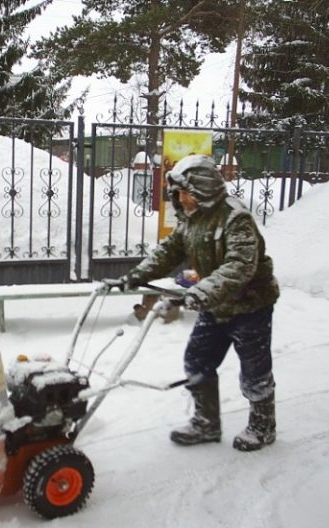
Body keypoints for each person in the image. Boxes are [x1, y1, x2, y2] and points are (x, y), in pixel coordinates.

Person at [105, 154, 280, 451]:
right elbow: (169, 252)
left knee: (255, 369)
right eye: (178, 192)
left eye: (185, 192)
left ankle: (263, 426)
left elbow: (240, 266)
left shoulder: (236, 218)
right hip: (215, 304)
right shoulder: (191, 219)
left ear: (203, 188)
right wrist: (134, 277)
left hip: (250, 306)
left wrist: (201, 292)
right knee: (197, 360)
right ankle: (206, 423)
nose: (180, 198)